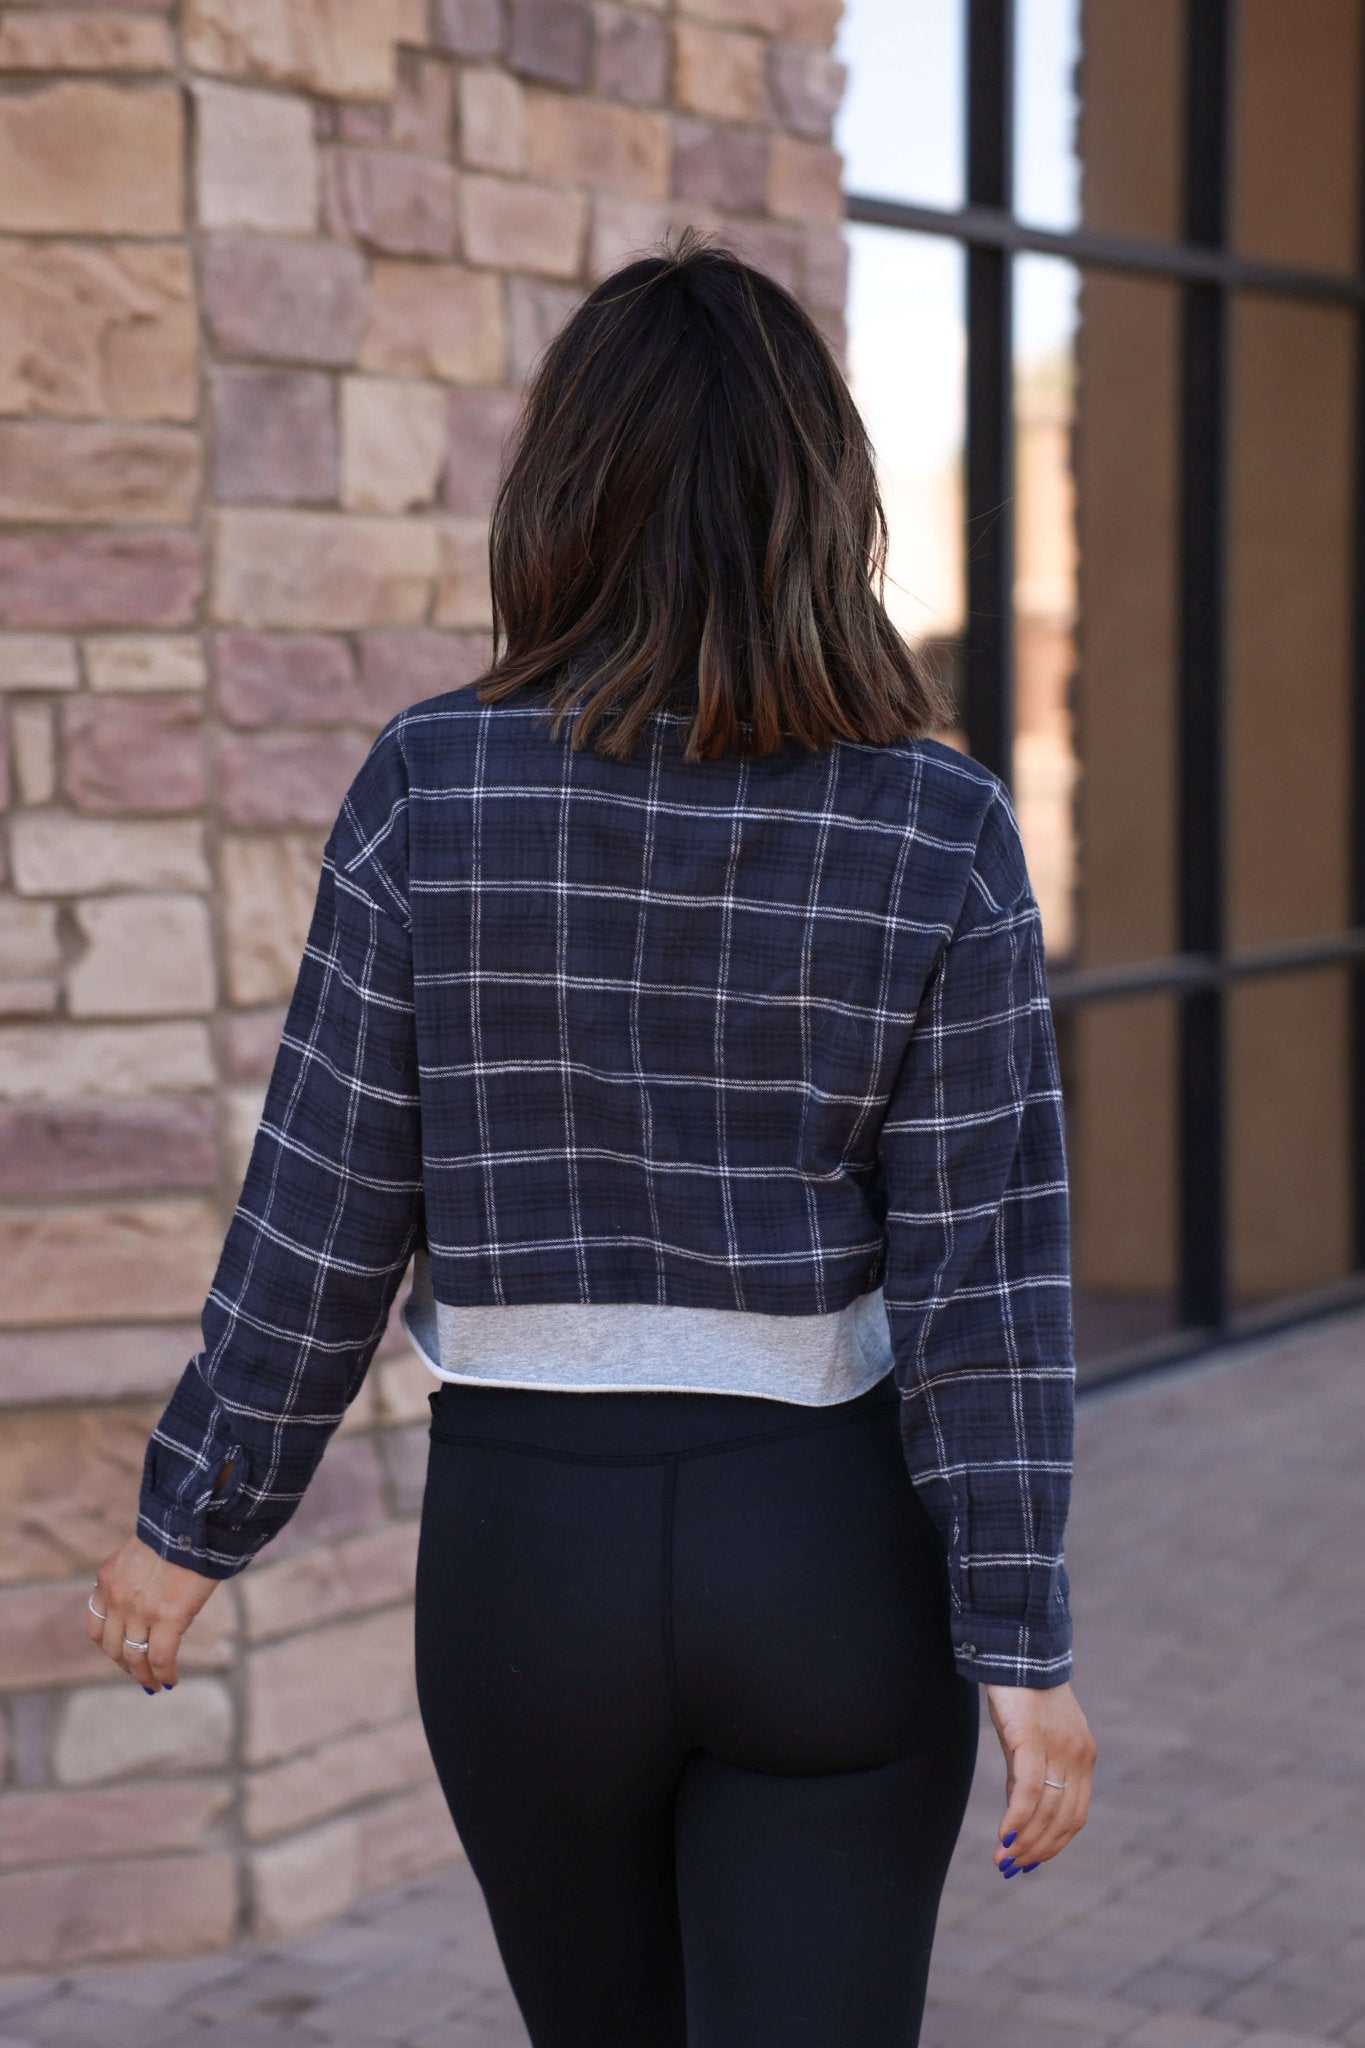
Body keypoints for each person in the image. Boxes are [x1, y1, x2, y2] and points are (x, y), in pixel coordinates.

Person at [89, 224, 1096, 2046]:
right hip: (825, 1559)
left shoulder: (428, 783)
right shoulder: (937, 824)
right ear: (824, 503)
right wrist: (1019, 1639)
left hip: (521, 1560)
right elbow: (984, 1279)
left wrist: (192, 1525)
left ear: (564, 495)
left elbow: (322, 1215)